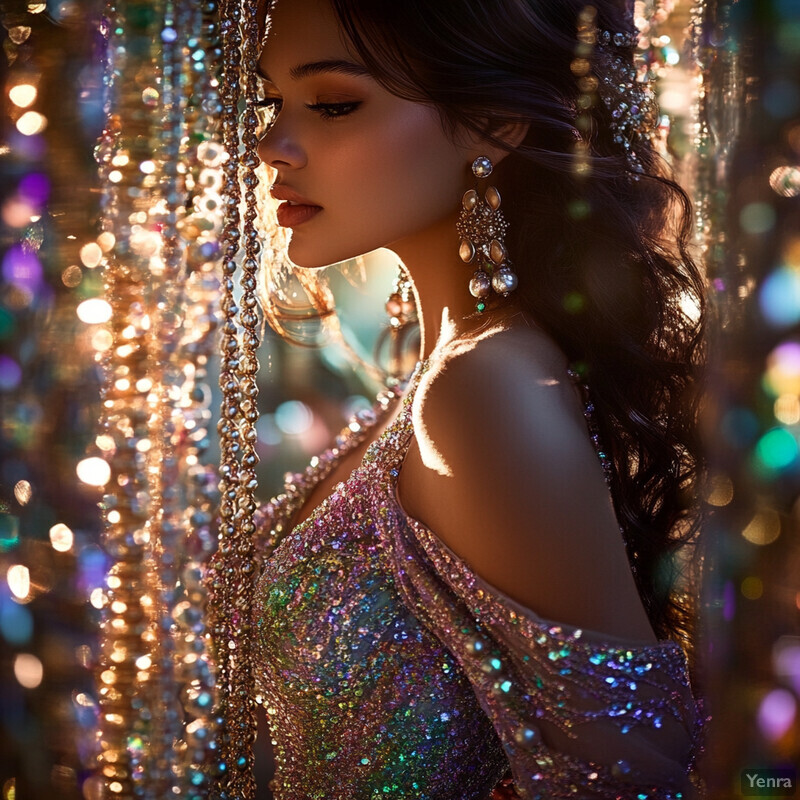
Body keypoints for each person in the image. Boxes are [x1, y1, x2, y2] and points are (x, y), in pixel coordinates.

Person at [242, 0, 706, 797]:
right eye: (271, 103)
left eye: (332, 104)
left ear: (495, 121)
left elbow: (630, 779)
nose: (270, 146)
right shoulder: (442, 376)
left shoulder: (483, 388)